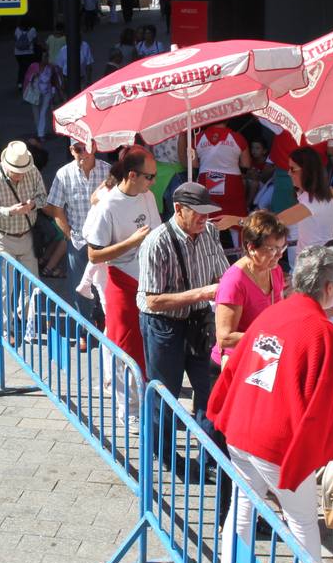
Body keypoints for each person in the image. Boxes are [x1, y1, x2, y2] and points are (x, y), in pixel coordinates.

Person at [208, 246, 333, 563]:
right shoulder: (324, 334)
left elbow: (237, 365)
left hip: (240, 425)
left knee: (242, 507)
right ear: (328, 288)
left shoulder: (272, 314)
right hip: (275, 441)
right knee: (304, 519)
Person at [138, 182, 230, 463]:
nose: (205, 218)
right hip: (164, 325)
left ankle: (209, 455)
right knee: (166, 394)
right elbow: (153, 300)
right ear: (178, 209)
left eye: (208, 212)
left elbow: (222, 275)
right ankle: (165, 455)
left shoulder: (211, 232)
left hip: (201, 321)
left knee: (210, 390)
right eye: (199, 213)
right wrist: (201, 293)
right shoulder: (156, 242)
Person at [83, 146, 161, 372]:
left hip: (150, 280)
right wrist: (131, 242)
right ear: (132, 175)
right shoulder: (108, 205)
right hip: (123, 282)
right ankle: (126, 401)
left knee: (149, 345)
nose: (153, 182)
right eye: (150, 177)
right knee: (126, 346)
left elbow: (154, 232)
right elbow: (93, 254)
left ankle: (146, 398)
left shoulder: (147, 196)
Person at [47, 139, 112, 324]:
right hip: (78, 239)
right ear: (71, 150)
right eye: (78, 149)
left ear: (95, 148)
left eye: (87, 148)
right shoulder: (63, 174)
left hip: (105, 240)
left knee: (105, 286)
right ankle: (83, 329)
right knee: (79, 287)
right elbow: (56, 208)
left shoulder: (108, 171)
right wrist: (69, 235)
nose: (83, 152)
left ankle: (103, 324)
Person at [213, 211, 288, 368]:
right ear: (251, 247)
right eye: (273, 249)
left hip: (262, 357)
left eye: (283, 248)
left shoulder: (274, 269)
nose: (280, 255)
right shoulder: (234, 281)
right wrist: (267, 337)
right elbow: (224, 338)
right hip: (236, 363)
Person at [0, 139, 48, 289]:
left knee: (31, 286)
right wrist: (10, 211)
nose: (21, 175)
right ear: (6, 165)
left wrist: (33, 204)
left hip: (27, 235)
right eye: (16, 172)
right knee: (5, 287)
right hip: (1, 238)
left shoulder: (33, 171)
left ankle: (28, 313)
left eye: (23, 171)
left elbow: (43, 198)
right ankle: (6, 314)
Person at [277, 146, 333, 270]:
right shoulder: (319, 190)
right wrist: (329, 226)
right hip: (313, 261)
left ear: (307, 171)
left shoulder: (313, 199)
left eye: (293, 169)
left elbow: (276, 221)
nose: (289, 173)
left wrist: (237, 220)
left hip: (314, 265)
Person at [196, 121, 253, 224]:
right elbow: (246, 164)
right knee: (237, 218)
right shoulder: (238, 137)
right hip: (232, 181)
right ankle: (238, 240)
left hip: (205, 178)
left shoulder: (198, 137)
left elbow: (193, 164)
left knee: (207, 220)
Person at [22, 50, 62, 140]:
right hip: (35, 93)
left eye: (47, 56)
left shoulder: (51, 68)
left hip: (47, 92)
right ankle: (40, 130)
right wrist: (33, 77)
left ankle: (41, 134)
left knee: (43, 112)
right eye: (45, 57)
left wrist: (58, 91)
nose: (46, 59)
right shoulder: (33, 67)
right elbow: (28, 79)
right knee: (37, 113)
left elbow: (55, 79)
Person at [149, 134, 189, 215]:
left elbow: (150, 151)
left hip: (157, 177)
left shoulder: (154, 129)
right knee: (177, 214)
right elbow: (183, 158)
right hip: (177, 175)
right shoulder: (180, 131)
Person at [13, 19, 39, 90]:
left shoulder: (17, 29)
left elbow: (15, 39)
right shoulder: (33, 29)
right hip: (29, 52)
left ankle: (20, 83)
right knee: (29, 68)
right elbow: (35, 41)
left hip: (18, 53)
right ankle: (28, 83)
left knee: (21, 67)